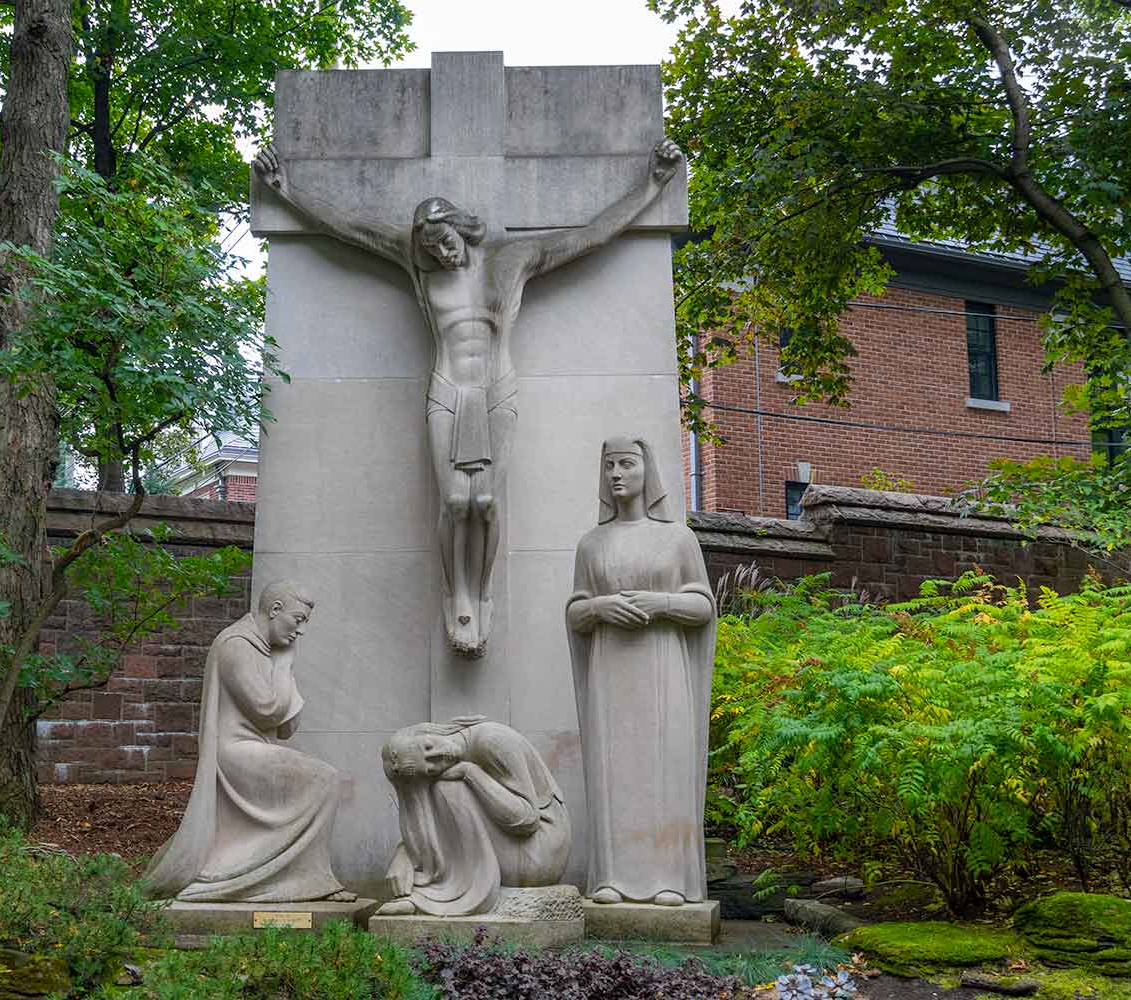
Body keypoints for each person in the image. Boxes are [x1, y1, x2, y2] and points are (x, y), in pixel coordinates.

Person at [253, 139, 685, 658]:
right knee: (456, 501)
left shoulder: (514, 258)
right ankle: (455, 592)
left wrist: (653, 186)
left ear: (463, 228)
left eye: (447, 243)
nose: (442, 254)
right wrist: (287, 192)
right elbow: (353, 230)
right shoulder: (420, 263)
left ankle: (480, 592)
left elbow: (589, 235)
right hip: (448, 388)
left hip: (495, 390)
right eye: (432, 248)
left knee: (484, 503)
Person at [565, 436, 717, 906]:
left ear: (645, 471)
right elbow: (574, 611)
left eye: (626, 464)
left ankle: (669, 879)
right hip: (610, 669)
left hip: (662, 665)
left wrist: (663, 602)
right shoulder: (591, 544)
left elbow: (704, 606)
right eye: (609, 464)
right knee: (613, 771)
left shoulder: (677, 538)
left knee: (664, 768)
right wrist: (600, 607)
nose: (616, 474)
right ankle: (611, 878)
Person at [142, 580, 355, 903]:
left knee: (324, 780)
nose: (301, 631)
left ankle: (292, 876)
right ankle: (261, 877)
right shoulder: (236, 645)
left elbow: (287, 727)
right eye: (298, 620)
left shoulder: (266, 649)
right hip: (234, 752)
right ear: (275, 610)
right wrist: (283, 665)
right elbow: (268, 710)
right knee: (324, 779)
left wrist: (284, 664)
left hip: (255, 748)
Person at [376, 716, 570, 917]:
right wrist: (407, 851)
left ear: (428, 731)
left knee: (450, 789)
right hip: (512, 847)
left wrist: (470, 772)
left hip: (541, 850)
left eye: (427, 746)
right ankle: (432, 889)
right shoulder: (451, 763)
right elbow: (428, 814)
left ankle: (440, 897)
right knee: (444, 786)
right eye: (429, 768)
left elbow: (527, 820)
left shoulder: (492, 741)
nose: (437, 756)